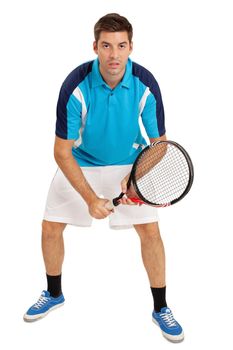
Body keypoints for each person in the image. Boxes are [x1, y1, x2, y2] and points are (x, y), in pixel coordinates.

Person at [23, 13, 184, 343]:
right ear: (95, 46)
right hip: (81, 163)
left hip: (131, 163)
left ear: (131, 47)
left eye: (121, 46)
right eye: (107, 46)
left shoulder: (145, 83)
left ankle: (161, 308)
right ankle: (54, 294)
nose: (114, 55)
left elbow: (161, 146)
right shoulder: (75, 85)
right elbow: (62, 152)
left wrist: (135, 177)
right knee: (50, 227)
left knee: (150, 233)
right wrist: (90, 199)